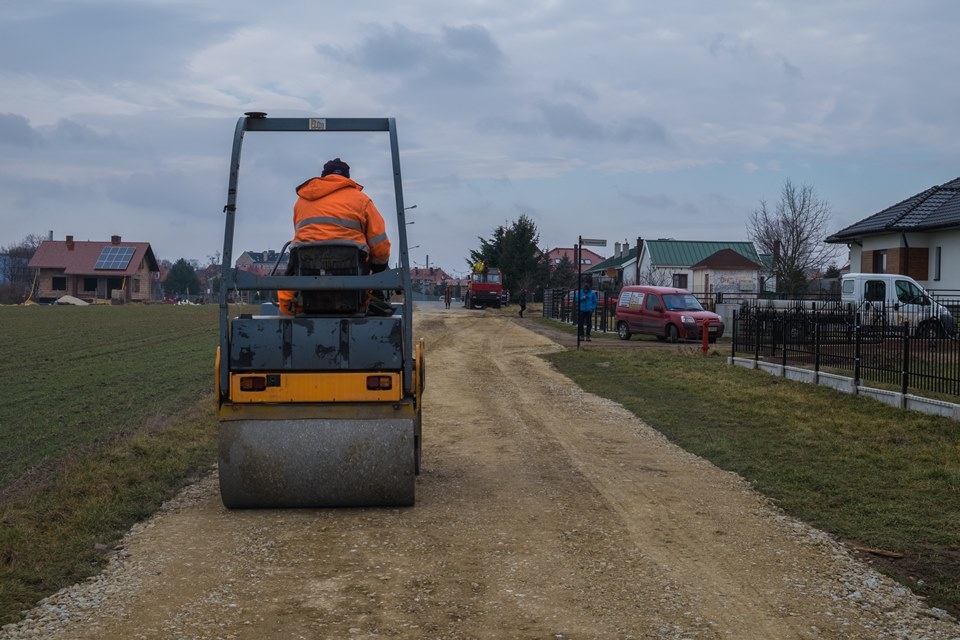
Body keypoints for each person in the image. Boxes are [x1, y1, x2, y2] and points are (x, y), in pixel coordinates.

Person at [277, 158, 391, 315]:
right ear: (347, 178)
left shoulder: (302, 201)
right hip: (353, 281)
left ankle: (290, 312)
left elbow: (301, 236)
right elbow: (380, 247)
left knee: (290, 279)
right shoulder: (362, 200)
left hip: (306, 273)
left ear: (324, 177)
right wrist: (379, 268)